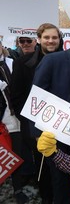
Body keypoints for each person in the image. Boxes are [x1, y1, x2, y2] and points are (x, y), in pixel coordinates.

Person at [29, 18, 70, 204]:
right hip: (54, 130)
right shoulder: (53, 60)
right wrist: (37, 134)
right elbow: (36, 97)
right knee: (60, 180)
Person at [10, 23, 63, 204]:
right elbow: (16, 97)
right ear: (39, 39)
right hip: (36, 128)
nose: (50, 41)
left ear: (59, 39)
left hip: (64, 125)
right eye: (46, 37)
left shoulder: (69, 60)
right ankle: (47, 199)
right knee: (44, 169)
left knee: (64, 166)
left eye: (54, 37)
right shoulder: (23, 62)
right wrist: (30, 125)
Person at [0, 41, 29, 203]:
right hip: (1, 120)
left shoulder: (13, 62)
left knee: (15, 155)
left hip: (15, 118)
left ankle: (17, 188)